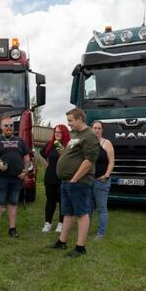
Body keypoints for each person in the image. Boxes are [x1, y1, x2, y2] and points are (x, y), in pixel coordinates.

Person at [50, 108, 99, 258]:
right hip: (68, 182)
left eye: (70, 120)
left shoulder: (90, 135)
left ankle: (80, 247)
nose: (69, 124)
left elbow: (89, 160)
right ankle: (61, 242)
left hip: (79, 182)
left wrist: (74, 179)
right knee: (68, 213)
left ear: (79, 119)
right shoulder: (76, 135)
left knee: (82, 213)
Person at [0, 117, 31, 238]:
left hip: (17, 178)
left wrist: (25, 171)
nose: (9, 127)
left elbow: (27, 159)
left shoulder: (20, 141)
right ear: (1, 127)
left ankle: (12, 229)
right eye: (6, 125)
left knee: (13, 203)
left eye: (11, 125)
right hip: (0, 177)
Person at [39, 124, 70, 233]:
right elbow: (41, 154)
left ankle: (61, 224)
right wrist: (46, 164)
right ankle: (48, 223)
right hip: (50, 177)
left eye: (59, 132)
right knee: (50, 200)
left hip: (62, 178)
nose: (57, 134)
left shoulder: (67, 146)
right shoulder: (50, 144)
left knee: (62, 201)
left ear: (64, 133)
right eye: (55, 132)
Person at [89, 120, 115, 240]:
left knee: (101, 208)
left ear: (102, 130)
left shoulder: (106, 143)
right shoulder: (89, 143)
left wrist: (106, 175)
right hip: (89, 180)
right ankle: (86, 228)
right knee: (88, 207)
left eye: (99, 128)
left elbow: (111, 162)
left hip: (101, 181)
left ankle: (101, 233)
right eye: (95, 128)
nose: (97, 130)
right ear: (91, 129)